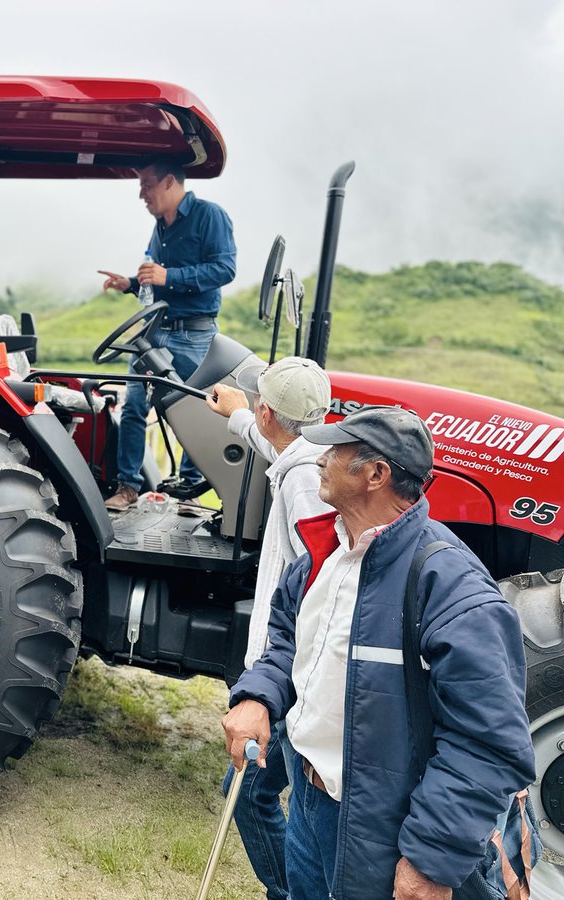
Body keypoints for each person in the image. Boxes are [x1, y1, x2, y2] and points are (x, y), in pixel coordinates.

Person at [221, 406, 535, 899]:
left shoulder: (451, 586)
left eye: (336, 449)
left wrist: (430, 860)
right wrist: (258, 697)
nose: (320, 457)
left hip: (379, 829)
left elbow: (488, 742)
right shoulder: (325, 553)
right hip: (308, 800)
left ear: (375, 473)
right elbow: (289, 640)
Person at [205, 356, 333, 900]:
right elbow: (277, 447)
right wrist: (237, 416)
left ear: (268, 410)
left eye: (257, 405)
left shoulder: (304, 484)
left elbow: (318, 581)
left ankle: (289, 892)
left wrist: (273, 677)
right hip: (294, 674)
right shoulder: (309, 458)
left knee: (249, 788)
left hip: (293, 676)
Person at [98, 157, 237, 511]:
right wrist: (130, 283)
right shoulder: (160, 226)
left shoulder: (210, 216)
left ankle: (190, 489)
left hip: (193, 334)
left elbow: (225, 268)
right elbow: (154, 281)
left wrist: (169, 277)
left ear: (169, 182)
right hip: (154, 330)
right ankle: (127, 487)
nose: (141, 194)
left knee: (195, 409)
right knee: (133, 407)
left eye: (146, 184)